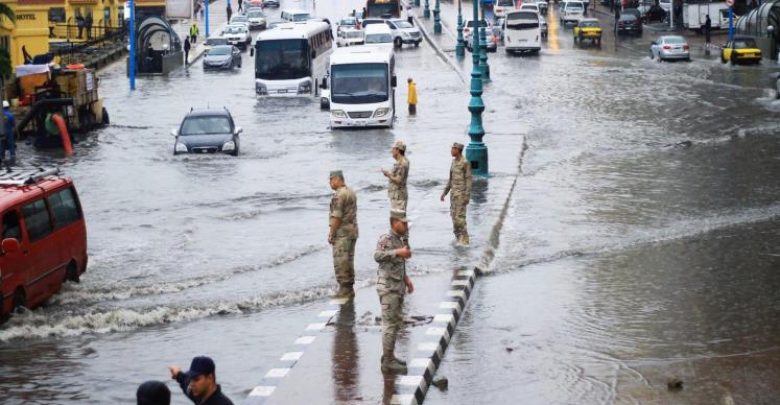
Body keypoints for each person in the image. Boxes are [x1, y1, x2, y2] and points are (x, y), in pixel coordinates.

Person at [374, 209, 414, 374]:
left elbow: (400, 264)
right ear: (393, 222)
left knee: (396, 322)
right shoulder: (387, 239)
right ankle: (388, 362)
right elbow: (377, 255)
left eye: (406, 223)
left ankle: (389, 355)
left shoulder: (400, 239)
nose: (405, 225)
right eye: (402, 223)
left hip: (397, 286)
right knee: (389, 325)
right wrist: (398, 252)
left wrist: (407, 280)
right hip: (388, 288)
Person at [329, 170, 358, 298]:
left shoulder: (339, 195)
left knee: (341, 261)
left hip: (342, 233)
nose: (330, 183)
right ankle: (349, 288)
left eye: (331, 180)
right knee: (349, 260)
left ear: (337, 179)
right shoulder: (351, 192)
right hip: (352, 231)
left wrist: (331, 233)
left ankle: (345, 289)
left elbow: (337, 217)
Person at [440, 142, 472, 245]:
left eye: (453, 149)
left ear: (458, 150)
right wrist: (444, 193)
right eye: (452, 148)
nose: (451, 151)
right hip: (453, 195)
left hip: (461, 195)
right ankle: (459, 238)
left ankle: (465, 240)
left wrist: (467, 195)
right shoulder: (453, 162)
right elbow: (450, 180)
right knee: (454, 218)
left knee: (460, 218)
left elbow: (468, 179)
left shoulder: (465, 162)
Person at [168, 356, 234, 405]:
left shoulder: (223, 403)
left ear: (210, 378)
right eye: (191, 379)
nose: (192, 384)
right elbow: (184, 381)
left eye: (196, 379)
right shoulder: (198, 394)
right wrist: (178, 374)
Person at [382, 140, 409, 211]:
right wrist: (389, 173)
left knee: (399, 219)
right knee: (397, 219)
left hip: (399, 197)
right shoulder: (400, 162)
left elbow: (399, 181)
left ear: (398, 150)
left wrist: (388, 175)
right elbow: (398, 176)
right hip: (396, 196)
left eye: (393, 149)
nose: (391, 151)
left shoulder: (402, 163)